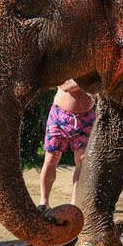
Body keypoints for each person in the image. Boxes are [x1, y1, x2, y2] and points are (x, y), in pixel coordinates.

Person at [39, 79, 95, 212]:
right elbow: (66, 86)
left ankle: (75, 204)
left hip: (86, 118)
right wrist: (92, 79)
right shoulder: (68, 61)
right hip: (60, 116)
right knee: (51, 159)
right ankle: (44, 203)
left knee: (82, 161)